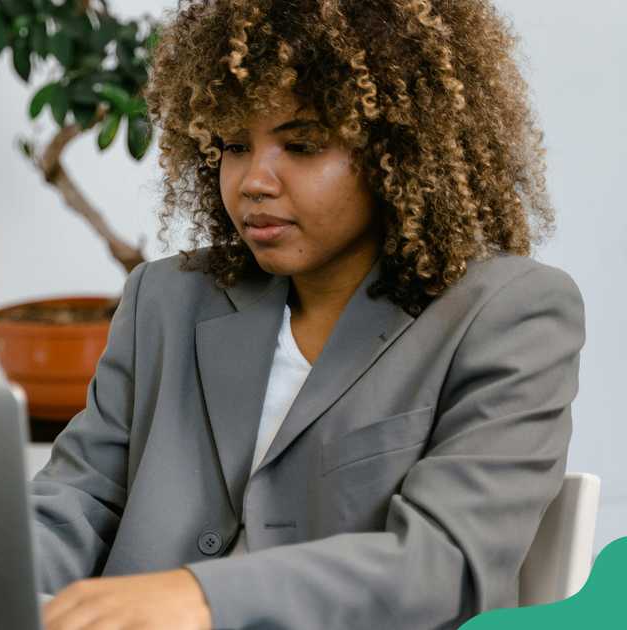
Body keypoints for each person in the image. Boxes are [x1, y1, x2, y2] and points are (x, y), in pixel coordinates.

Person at [30, 0, 585, 628]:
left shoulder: (507, 313)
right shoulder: (166, 298)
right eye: (235, 144)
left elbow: (445, 563)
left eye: (302, 144)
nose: (252, 182)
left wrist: (205, 596)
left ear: (399, 152)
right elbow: (77, 497)